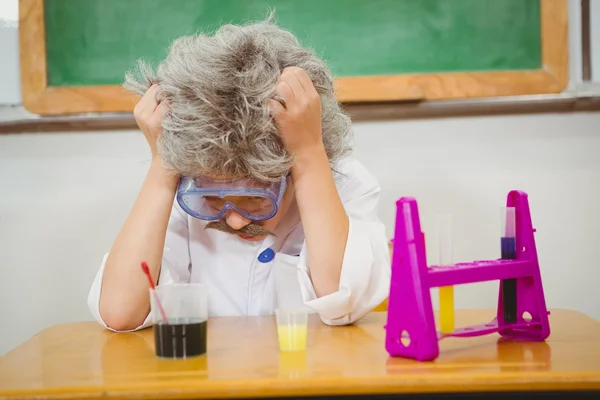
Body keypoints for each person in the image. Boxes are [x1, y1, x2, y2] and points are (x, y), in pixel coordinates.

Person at [87, 16, 391, 332]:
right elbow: (120, 312)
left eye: (254, 199)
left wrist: (308, 153)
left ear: (292, 170)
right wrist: (164, 162)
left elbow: (342, 301)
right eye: (212, 199)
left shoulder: (343, 182)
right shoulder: (184, 183)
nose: (234, 220)